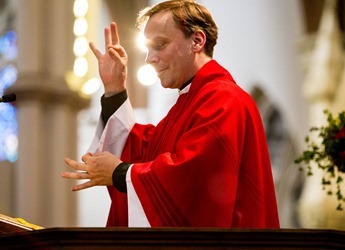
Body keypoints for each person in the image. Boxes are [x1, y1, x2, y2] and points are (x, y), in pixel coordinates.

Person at [61, 0, 280, 228]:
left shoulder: (224, 99)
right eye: (148, 49)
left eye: (160, 45)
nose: (150, 59)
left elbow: (193, 176)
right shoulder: (189, 102)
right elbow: (146, 153)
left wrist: (119, 172)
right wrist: (115, 90)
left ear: (197, 41)